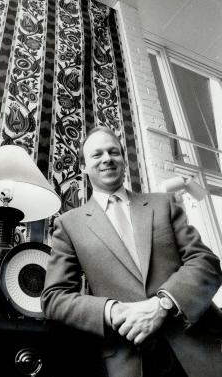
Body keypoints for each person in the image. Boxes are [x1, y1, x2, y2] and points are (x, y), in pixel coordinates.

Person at [41, 126, 222, 377]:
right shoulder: (69, 224)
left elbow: (206, 261)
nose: (107, 158)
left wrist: (163, 304)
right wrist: (114, 310)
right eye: (97, 155)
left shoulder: (164, 204)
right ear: (83, 167)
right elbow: (54, 298)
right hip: (128, 358)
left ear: (123, 160)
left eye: (113, 152)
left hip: (195, 347)